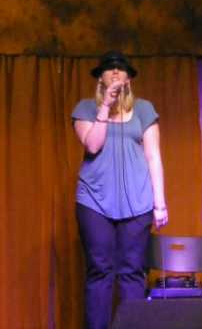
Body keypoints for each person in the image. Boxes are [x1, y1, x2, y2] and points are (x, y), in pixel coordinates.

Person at [72, 51, 168, 329]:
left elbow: (154, 156)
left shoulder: (144, 109)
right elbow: (92, 145)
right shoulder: (85, 109)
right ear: (100, 77)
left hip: (138, 203)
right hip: (94, 202)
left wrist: (160, 203)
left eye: (120, 69)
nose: (115, 72)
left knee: (133, 272)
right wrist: (106, 107)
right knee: (100, 271)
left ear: (128, 78)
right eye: (109, 68)